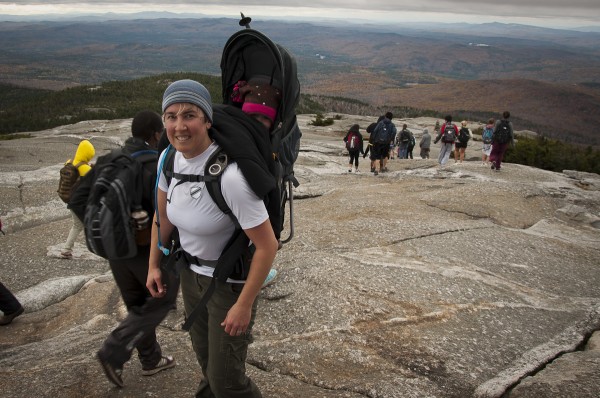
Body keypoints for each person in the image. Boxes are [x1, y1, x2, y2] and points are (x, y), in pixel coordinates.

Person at [147, 79, 278, 397]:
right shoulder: (168, 159)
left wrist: (244, 305)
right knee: (208, 364)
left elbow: (267, 245)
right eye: (171, 116)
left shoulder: (230, 177)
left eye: (189, 115)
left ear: (207, 119)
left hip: (229, 286)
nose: (180, 125)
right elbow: (162, 218)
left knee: (227, 381)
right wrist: (154, 265)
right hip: (191, 278)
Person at [70, 110, 175, 388]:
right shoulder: (154, 164)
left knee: (137, 305)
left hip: (116, 252)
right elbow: (164, 214)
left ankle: (151, 360)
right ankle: (114, 351)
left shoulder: (109, 159)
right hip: (145, 250)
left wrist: (107, 230)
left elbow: (77, 198)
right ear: (155, 134)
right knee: (161, 298)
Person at [60, 139, 95, 259]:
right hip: (80, 203)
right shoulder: (85, 168)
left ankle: (67, 249)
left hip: (69, 200)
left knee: (78, 224)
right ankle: (67, 249)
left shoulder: (69, 162)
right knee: (86, 224)